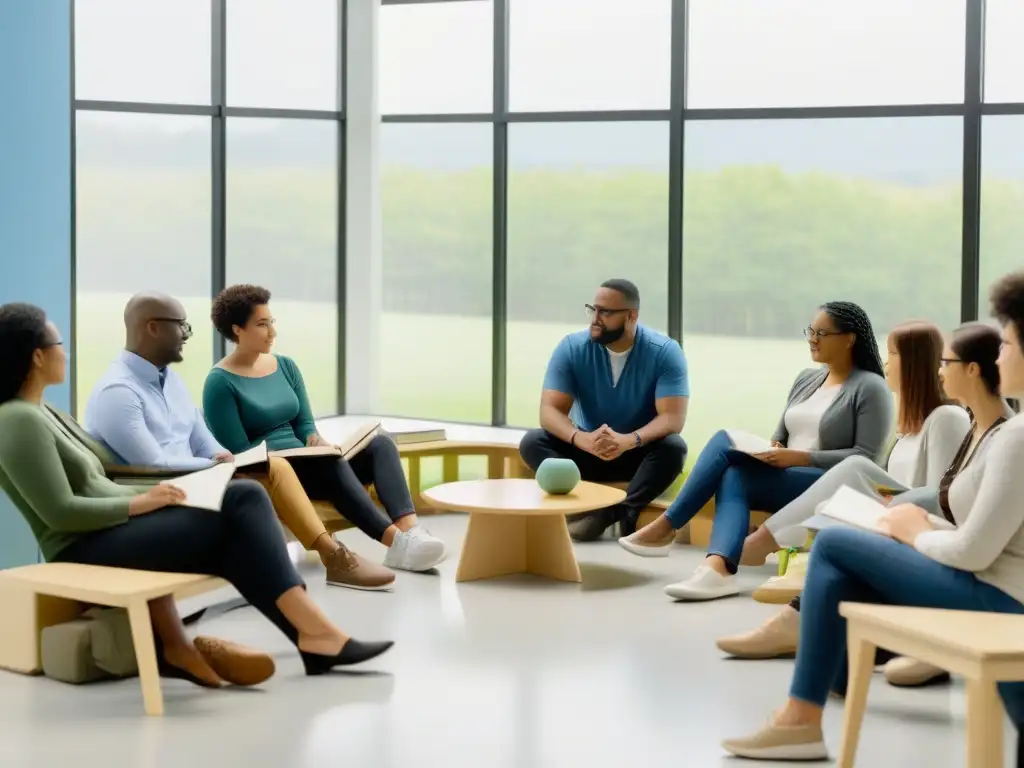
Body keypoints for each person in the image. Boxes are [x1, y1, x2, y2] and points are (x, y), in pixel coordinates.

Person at [0, 303, 394, 689]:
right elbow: (60, 514)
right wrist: (141, 502)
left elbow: (102, 480)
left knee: (241, 504)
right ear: (37, 356)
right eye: (59, 343)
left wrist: (161, 493)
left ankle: (309, 637)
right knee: (243, 502)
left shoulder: (46, 412)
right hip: (81, 543)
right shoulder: (17, 420)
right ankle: (314, 635)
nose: (64, 352)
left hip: (112, 526)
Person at [721, 272, 1024, 761]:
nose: (1000, 356)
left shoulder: (1014, 436)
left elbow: (976, 551)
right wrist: (916, 528)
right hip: (991, 581)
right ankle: (808, 706)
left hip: (1001, 599)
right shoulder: (993, 433)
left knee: (838, 546)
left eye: (1006, 344)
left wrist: (914, 530)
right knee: (845, 561)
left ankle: (800, 712)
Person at [718, 322, 1009, 664]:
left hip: (921, 535)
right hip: (905, 525)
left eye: (893, 355)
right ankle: (797, 606)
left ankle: (780, 581)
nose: (886, 365)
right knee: (847, 490)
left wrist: (888, 510)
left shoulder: (948, 418)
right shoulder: (912, 430)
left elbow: (940, 501)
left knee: (853, 479)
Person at [84, 292, 394, 592]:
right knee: (275, 471)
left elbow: (197, 432)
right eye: (181, 325)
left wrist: (220, 457)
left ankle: (330, 560)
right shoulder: (119, 393)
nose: (186, 334)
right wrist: (215, 466)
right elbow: (152, 464)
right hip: (164, 488)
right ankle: (333, 558)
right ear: (153, 327)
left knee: (283, 468)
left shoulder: (170, 380)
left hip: (196, 477)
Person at [619, 301, 892, 601]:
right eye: (811, 331)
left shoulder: (870, 387)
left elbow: (866, 458)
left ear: (850, 338)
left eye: (823, 333)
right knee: (734, 472)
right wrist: (773, 450)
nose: (812, 339)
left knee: (724, 443)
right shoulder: (807, 378)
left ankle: (669, 528)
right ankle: (717, 569)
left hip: (828, 483)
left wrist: (799, 457)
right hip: (788, 473)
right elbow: (781, 434)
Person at [202, 285, 446, 573]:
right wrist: (305, 455)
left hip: (313, 464)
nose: (272, 332)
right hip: (277, 476)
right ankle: (396, 544)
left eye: (272, 322)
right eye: (261, 324)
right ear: (237, 330)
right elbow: (242, 453)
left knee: (381, 445)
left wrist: (313, 440)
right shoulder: (219, 383)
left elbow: (304, 423)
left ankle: (410, 533)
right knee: (329, 464)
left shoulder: (286, 366)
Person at [518, 279, 688, 542]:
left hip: (636, 455)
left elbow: (672, 418)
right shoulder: (572, 347)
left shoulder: (665, 352)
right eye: (592, 309)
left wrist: (628, 441)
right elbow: (550, 411)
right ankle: (587, 508)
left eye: (605, 312)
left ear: (632, 316)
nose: (595, 319)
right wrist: (581, 439)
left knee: (674, 447)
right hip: (586, 450)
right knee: (533, 441)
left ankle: (619, 513)